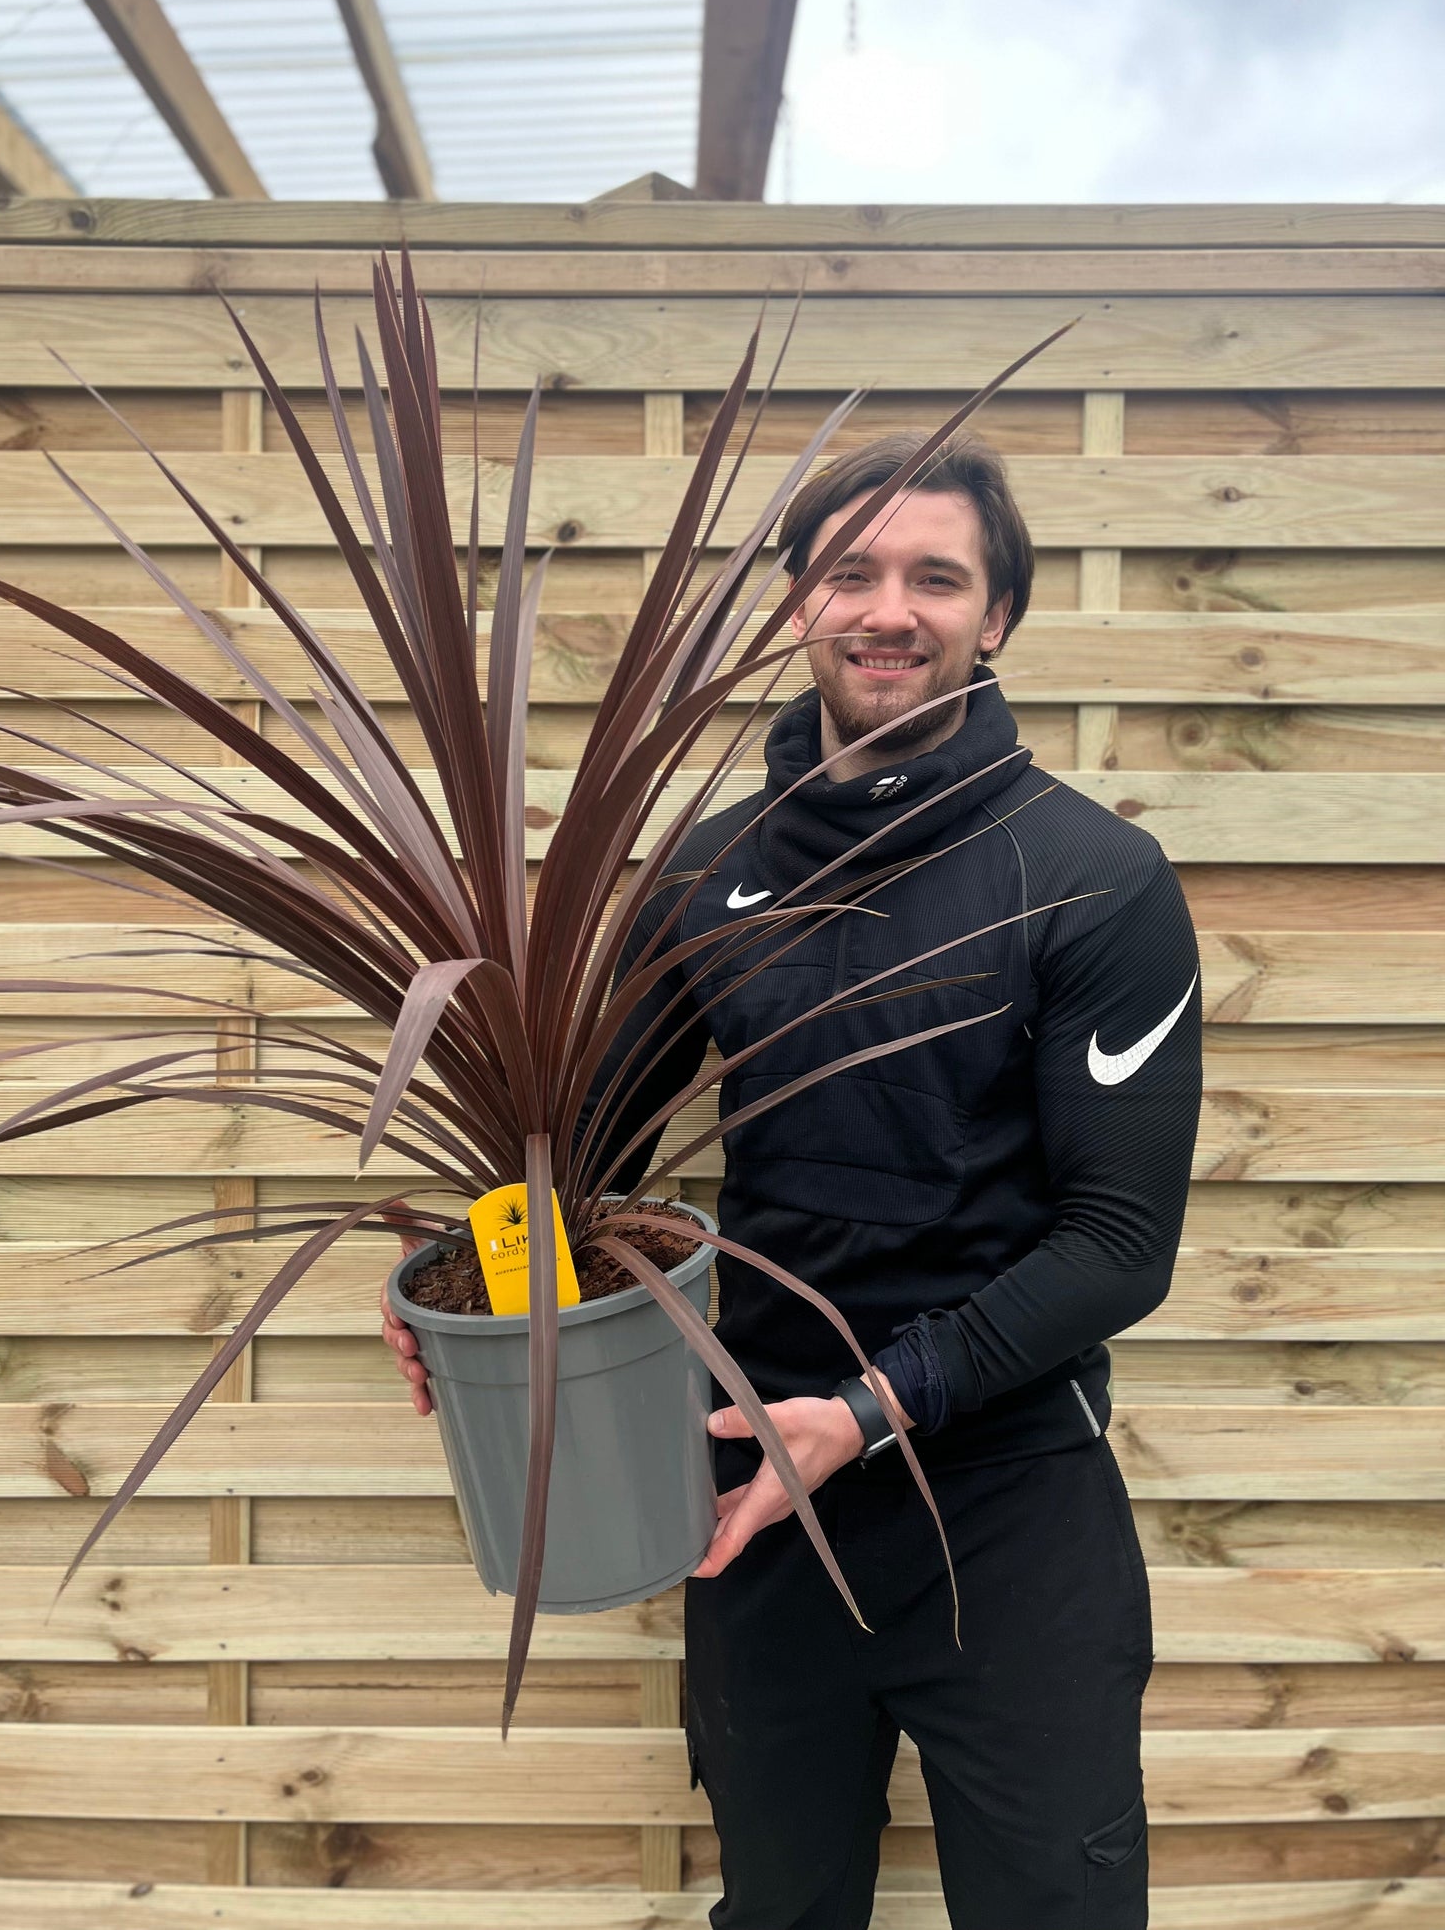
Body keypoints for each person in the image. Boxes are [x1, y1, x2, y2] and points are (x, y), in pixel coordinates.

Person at [383, 430, 1203, 1930]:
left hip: (1011, 1514)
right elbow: (581, 1150)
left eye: (937, 577)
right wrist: (471, 1288)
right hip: (756, 1502)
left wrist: (875, 1408)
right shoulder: (709, 872)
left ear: (996, 615)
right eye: (853, 571)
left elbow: (1120, 1244)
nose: (891, 608)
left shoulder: (1092, 877)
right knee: (778, 1909)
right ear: (797, 605)